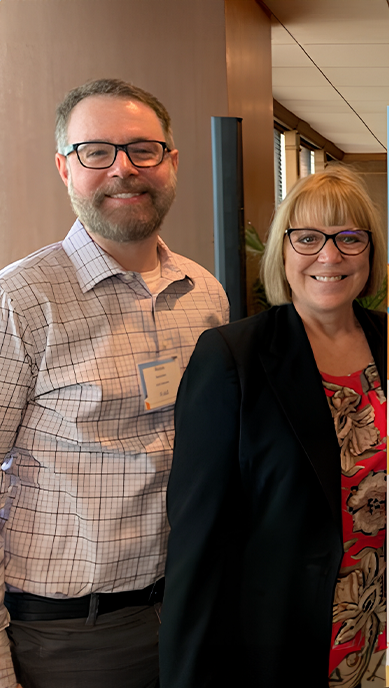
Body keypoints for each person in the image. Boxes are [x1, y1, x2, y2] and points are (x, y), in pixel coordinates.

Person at [0, 78, 228, 688]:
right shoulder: (20, 298)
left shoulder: (204, 294)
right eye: (95, 152)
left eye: (143, 149)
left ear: (171, 161)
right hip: (73, 637)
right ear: (64, 168)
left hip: (191, 609)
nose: (123, 169)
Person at [160, 167, 388, 688]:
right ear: (283, 253)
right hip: (287, 641)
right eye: (308, 238)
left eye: (349, 238)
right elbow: (200, 540)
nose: (329, 256)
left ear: (369, 253)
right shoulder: (232, 357)